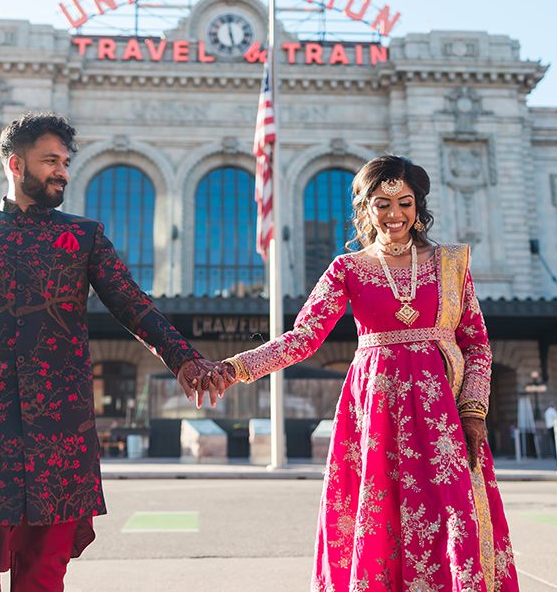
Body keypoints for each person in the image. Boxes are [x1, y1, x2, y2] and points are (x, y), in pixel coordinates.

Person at [0, 112, 227, 592]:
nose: (62, 171)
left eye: (65, 161)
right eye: (50, 160)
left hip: (58, 430)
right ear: (16, 164)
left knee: (43, 575)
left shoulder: (83, 237)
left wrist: (183, 358)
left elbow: (132, 304)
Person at [220, 156, 518, 591]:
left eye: (405, 202)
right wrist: (236, 368)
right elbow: (304, 336)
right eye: (382, 203)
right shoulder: (347, 269)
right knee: (378, 515)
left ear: (419, 207)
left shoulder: (450, 264)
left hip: (442, 417)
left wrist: (473, 411)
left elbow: (476, 343)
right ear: (365, 208)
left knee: (451, 513)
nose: (395, 214)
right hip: (375, 415)